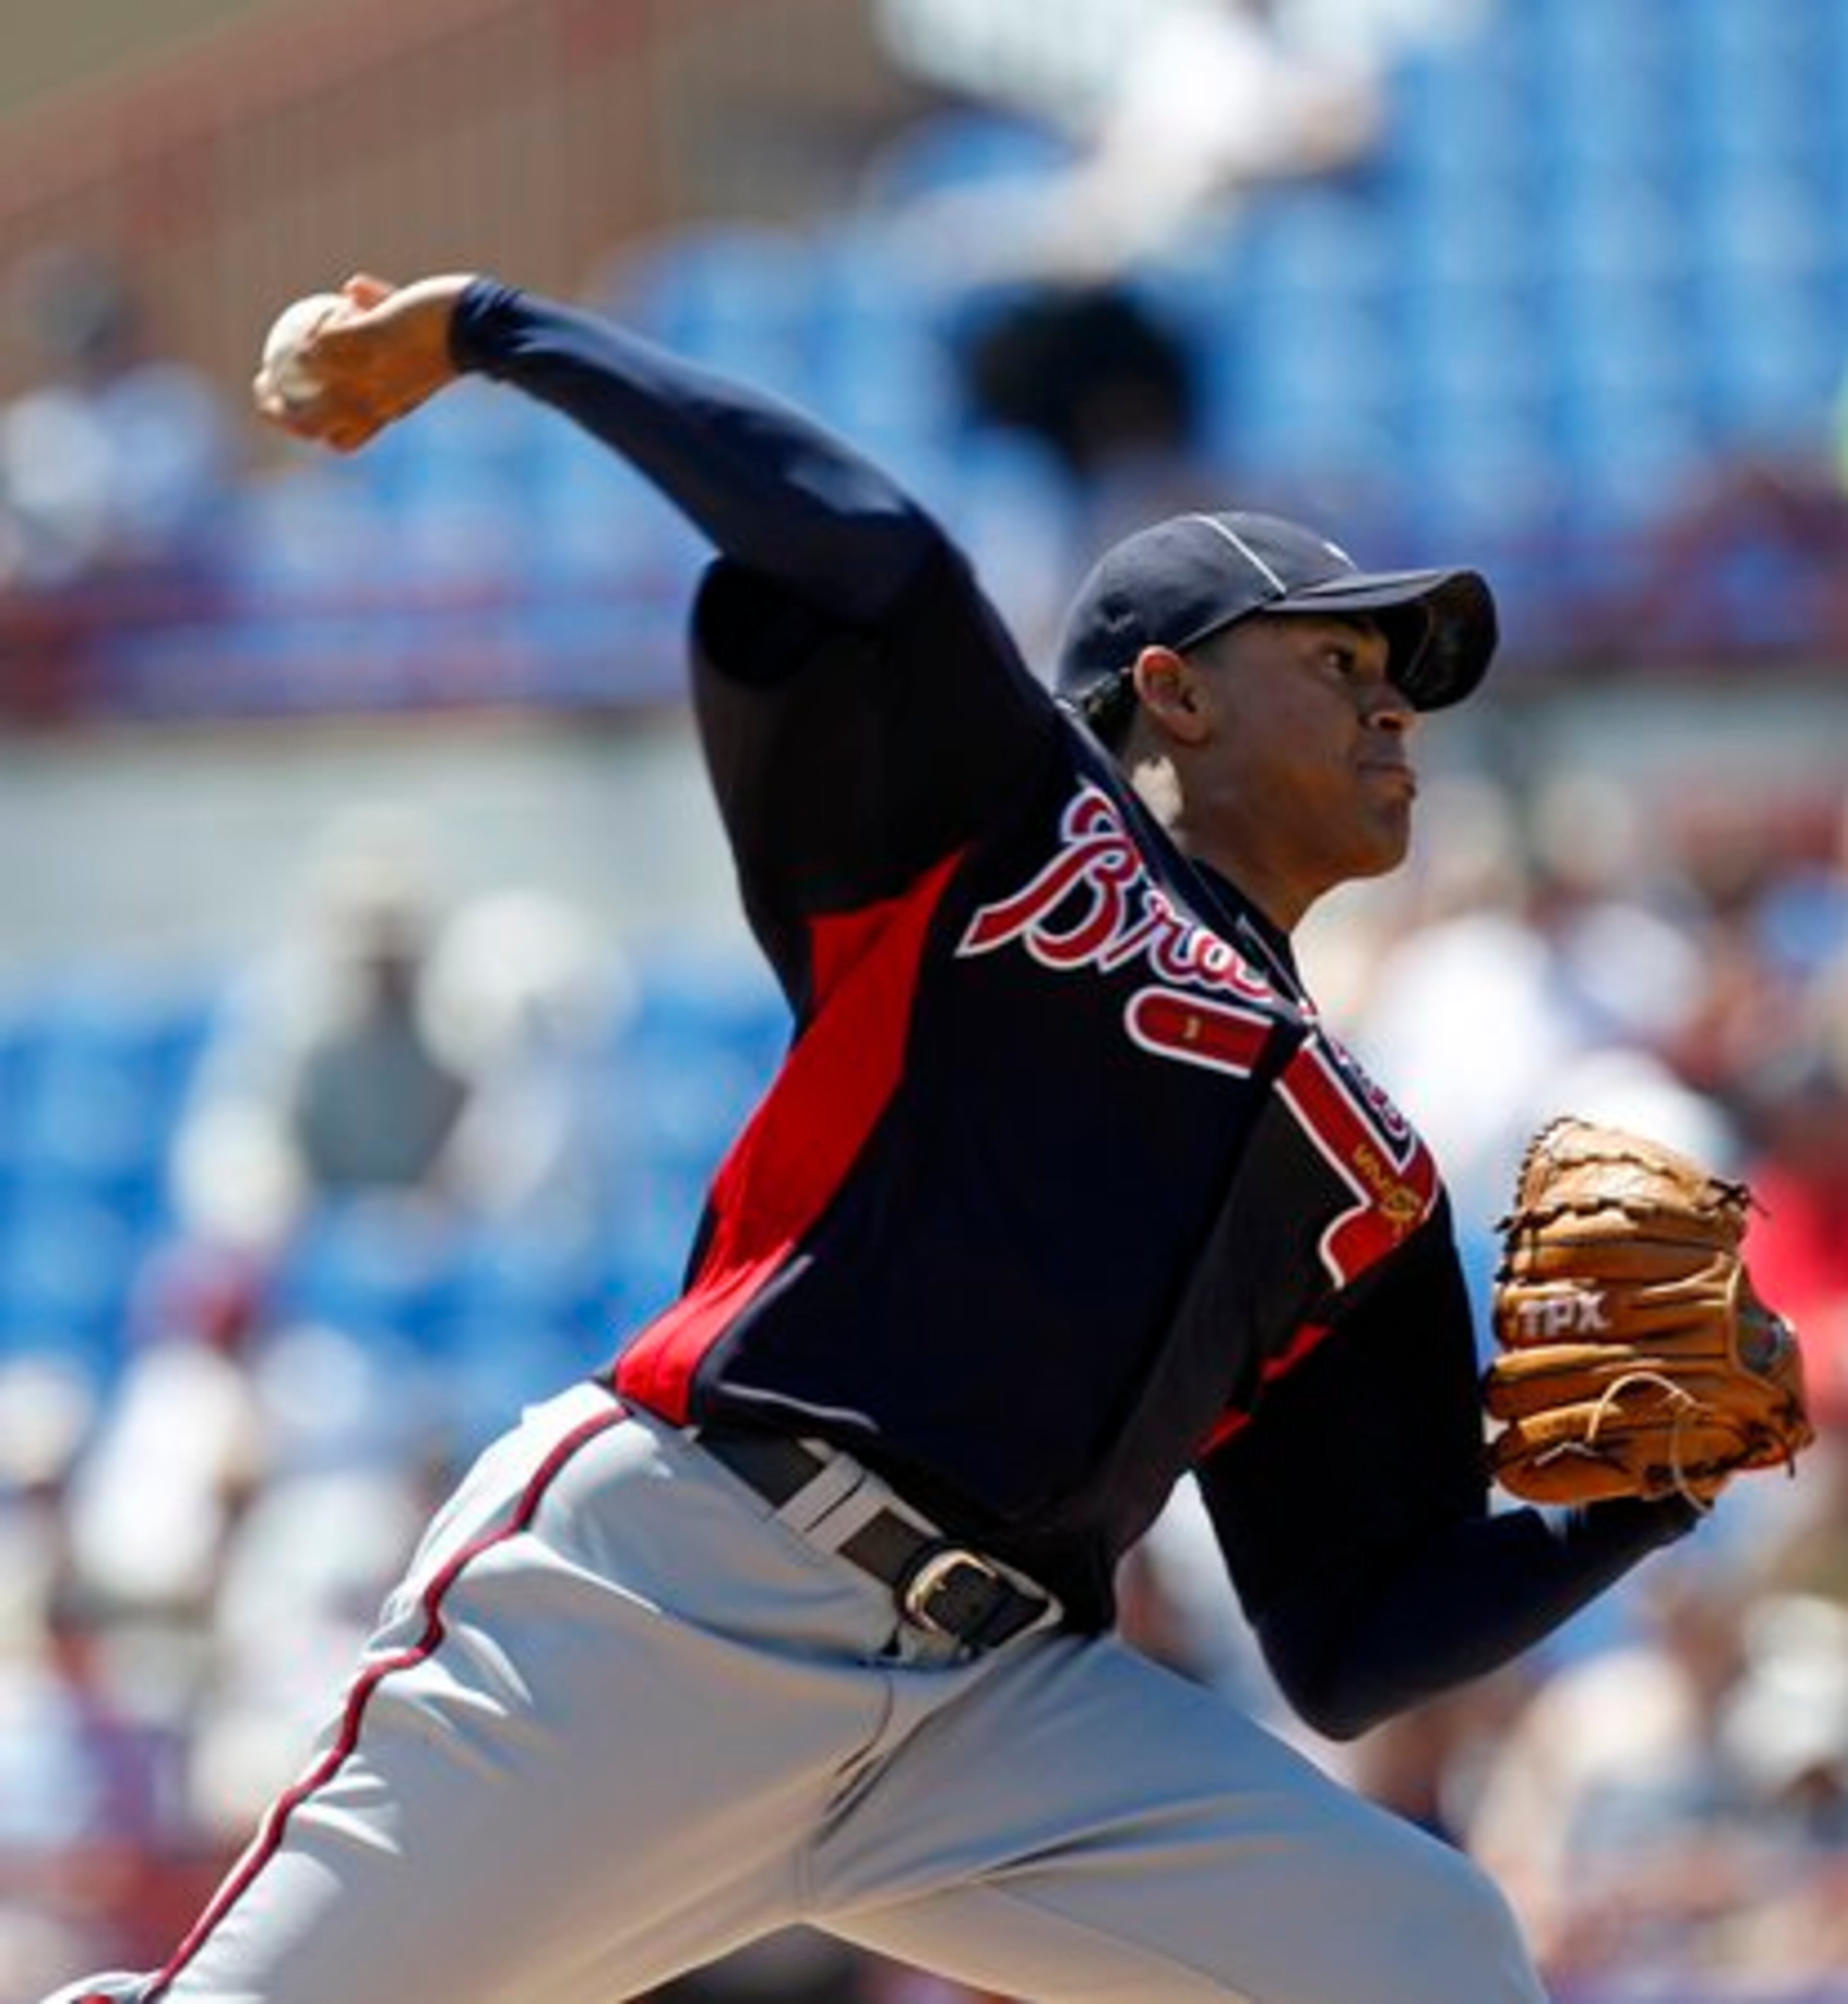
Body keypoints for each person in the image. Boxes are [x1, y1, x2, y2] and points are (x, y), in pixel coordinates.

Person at [44, 269, 1713, 2004]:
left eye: (1403, 682)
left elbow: (1354, 1637)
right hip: (692, 1586)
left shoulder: (1369, 1152)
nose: (1396, 708)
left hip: (1001, 1716)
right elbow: (864, 548)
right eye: (1343, 657)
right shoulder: (1012, 828)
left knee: (1427, 1953)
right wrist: (489, 330)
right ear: (1176, 694)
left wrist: (1643, 1499)